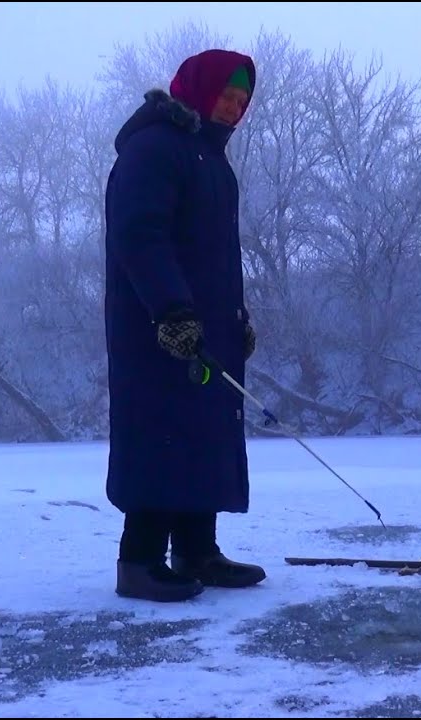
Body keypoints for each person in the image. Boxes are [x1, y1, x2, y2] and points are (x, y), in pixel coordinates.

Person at [102, 48, 265, 602]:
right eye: (226, 95)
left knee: (205, 432)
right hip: (156, 327)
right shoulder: (154, 150)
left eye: (242, 101)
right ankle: (140, 561)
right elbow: (139, 235)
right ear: (196, 90)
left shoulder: (211, 162)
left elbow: (216, 258)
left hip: (205, 326)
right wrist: (172, 311)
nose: (234, 108)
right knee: (163, 431)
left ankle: (198, 551)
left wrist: (234, 320)